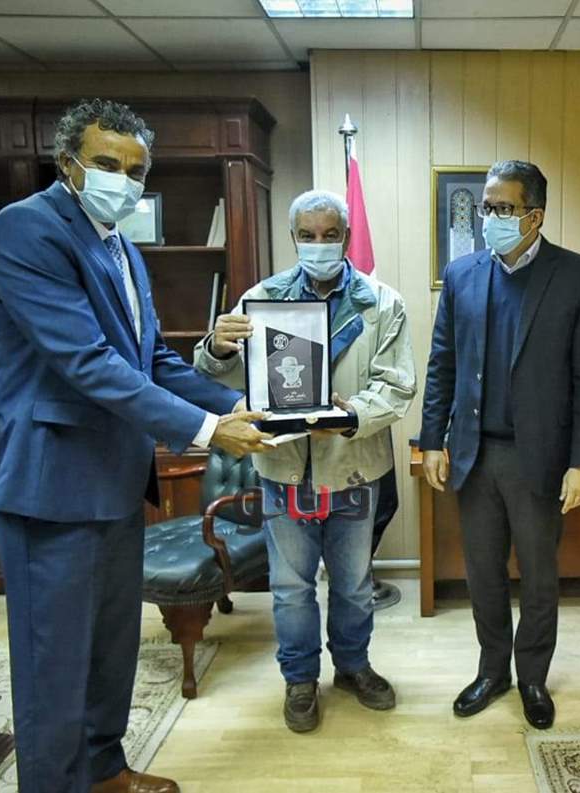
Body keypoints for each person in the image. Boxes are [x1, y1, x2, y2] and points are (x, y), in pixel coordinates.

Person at [0, 99, 271, 793]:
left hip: (113, 479)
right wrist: (209, 432)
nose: (124, 180)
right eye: (107, 163)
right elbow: (87, 362)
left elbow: (150, 362)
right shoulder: (27, 229)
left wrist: (234, 405)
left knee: (110, 647)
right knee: (54, 663)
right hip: (50, 485)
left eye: (137, 171)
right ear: (68, 162)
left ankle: (104, 770)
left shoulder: (121, 247)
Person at [195, 189, 416, 734]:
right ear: (294, 238)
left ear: (347, 237)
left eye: (330, 234)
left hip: (353, 467)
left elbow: (397, 386)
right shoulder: (261, 299)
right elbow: (219, 374)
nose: (320, 244)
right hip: (284, 470)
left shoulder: (382, 303)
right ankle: (299, 679)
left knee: (354, 584)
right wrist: (217, 347)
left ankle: (353, 667)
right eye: (308, 235)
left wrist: (351, 413)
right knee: (291, 588)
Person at [419, 160, 580, 730]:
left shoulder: (578, 276)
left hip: (541, 458)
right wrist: (432, 440)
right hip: (474, 454)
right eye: (487, 207)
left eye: (503, 208)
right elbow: (442, 363)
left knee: (539, 575)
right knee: (482, 573)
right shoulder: (462, 274)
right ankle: (492, 670)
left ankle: (532, 676)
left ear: (535, 216)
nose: (491, 218)